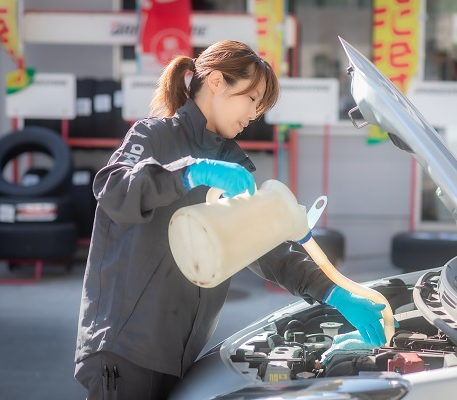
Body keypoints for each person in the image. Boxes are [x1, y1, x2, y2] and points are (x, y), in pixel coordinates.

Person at [74, 40, 387, 400]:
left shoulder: (233, 163)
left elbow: (263, 248)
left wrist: (333, 292)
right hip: (125, 348)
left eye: (261, 108)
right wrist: (191, 172)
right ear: (218, 81)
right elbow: (113, 189)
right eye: (253, 100)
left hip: (180, 355)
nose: (255, 115)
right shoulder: (153, 135)